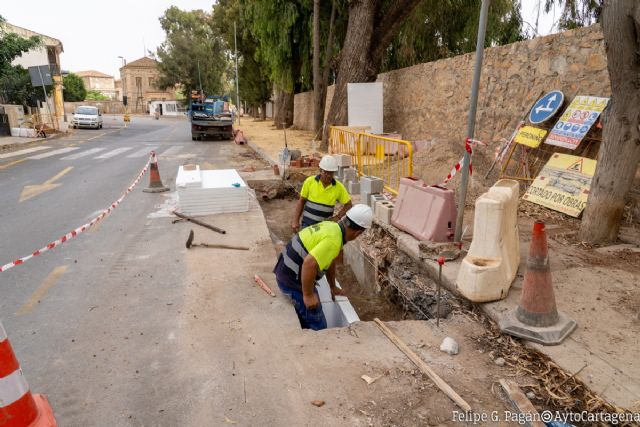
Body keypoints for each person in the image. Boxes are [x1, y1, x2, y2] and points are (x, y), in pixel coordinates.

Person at [274, 204, 373, 330]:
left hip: (286, 271)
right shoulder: (334, 240)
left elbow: (328, 259)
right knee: (318, 323)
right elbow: (309, 264)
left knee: (308, 315)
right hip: (291, 280)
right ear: (358, 233)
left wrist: (332, 286)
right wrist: (308, 295)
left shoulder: (332, 226)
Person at [291, 155, 352, 232]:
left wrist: (337, 217)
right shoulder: (310, 182)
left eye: (331, 173)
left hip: (324, 228)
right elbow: (301, 201)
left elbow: (349, 204)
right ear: (320, 170)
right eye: (326, 172)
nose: (328, 176)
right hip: (307, 225)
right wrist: (295, 220)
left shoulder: (338, 187)